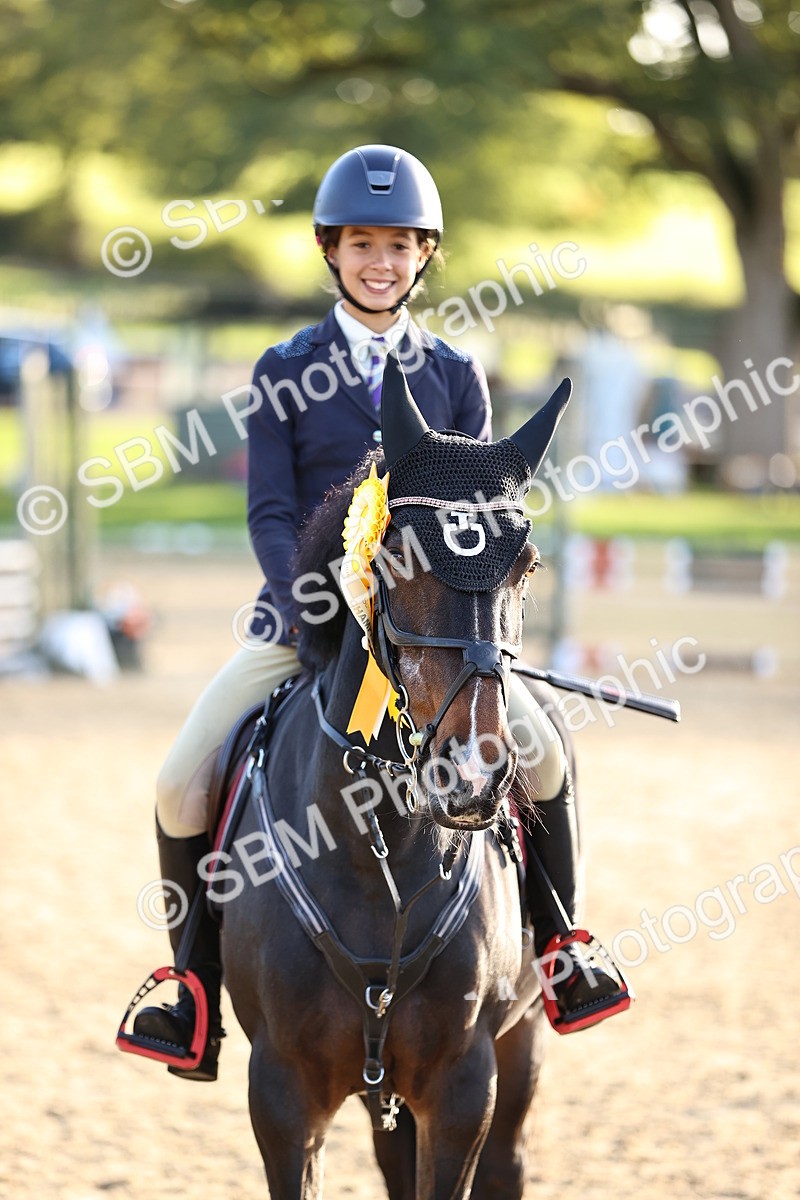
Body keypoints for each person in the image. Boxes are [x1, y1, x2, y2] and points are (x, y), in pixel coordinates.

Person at [132, 144, 625, 1082]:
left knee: (546, 755)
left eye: (399, 246)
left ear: (424, 255)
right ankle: (189, 989)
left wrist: (467, 629)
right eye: (363, 243)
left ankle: (564, 947)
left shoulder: (456, 373)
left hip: (432, 639)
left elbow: (480, 517)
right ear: (331, 250)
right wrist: (310, 603)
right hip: (306, 627)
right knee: (178, 782)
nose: (381, 262)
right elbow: (270, 511)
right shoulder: (284, 368)